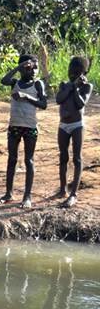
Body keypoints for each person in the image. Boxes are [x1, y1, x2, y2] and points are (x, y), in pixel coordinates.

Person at [0, 54, 48, 208]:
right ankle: (8, 193)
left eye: (36, 67)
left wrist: (26, 97)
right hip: (15, 125)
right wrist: (18, 67)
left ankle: (27, 196)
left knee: (28, 160)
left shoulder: (37, 84)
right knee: (12, 159)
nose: (34, 70)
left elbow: (43, 104)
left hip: (30, 126)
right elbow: (3, 80)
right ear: (23, 68)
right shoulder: (15, 83)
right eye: (30, 67)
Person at [55, 56, 92, 208]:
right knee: (63, 156)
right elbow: (59, 99)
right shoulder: (64, 84)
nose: (73, 74)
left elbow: (80, 104)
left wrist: (76, 88)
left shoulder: (86, 86)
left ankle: (73, 194)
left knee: (77, 158)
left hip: (77, 125)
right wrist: (71, 86)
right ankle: (63, 189)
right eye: (71, 71)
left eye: (77, 73)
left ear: (84, 73)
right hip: (63, 125)